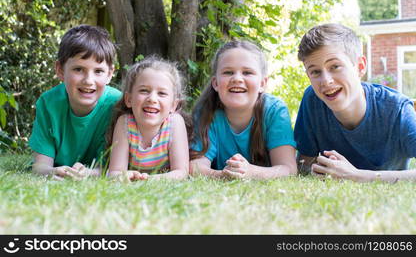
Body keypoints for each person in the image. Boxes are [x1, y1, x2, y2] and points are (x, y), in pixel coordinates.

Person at [294, 23, 416, 182]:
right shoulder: (312, 100)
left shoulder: (397, 109)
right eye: (315, 71)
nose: (326, 81)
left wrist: (357, 175)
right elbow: (304, 163)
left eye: (335, 66)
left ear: (360, 66)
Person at [190, 40, 297, 179]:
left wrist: (251, 172)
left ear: (262, 84)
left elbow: (288, 169)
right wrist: (222, 175)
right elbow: (195, 166)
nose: (237, 78)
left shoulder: (275, 111)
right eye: (228, 72)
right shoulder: (206, 111)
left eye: (247, 72)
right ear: (215, 83)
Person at [30, 25, 121, 180]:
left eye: (98, 71)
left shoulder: (117, 105)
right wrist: (51, 171)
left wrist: (89, 173)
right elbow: (40, 166)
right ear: (60, 70)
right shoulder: (48, 103)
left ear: (110, 74)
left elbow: (115, 169)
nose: (88, 81)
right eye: (78, 69)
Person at [107, 56, 189, 181]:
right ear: (129, 99)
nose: (152, 99)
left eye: (161, 93)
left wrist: (150, 180)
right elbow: (115, 172)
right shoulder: (125, 123)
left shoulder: (174, 124)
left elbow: (181, 172)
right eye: (144, 91)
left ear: (173, 105)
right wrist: (125, 176)